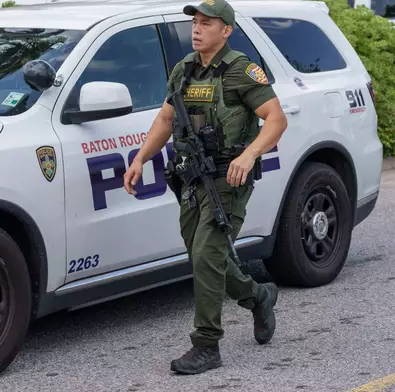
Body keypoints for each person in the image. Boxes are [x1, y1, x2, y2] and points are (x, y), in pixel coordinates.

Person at [123, 0, 288, 375]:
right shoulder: (184, 70)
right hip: (191, 177)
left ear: (226, 31)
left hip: (228, 179)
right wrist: (140, 158)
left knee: (207, 256)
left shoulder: (242, 71)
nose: (196, 29)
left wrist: (248, 156)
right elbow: (167, 118)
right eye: (195, 23)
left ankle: (207, 344)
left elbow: (276, 120)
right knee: (206, 256)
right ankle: (259, 296)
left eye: (206, 23)